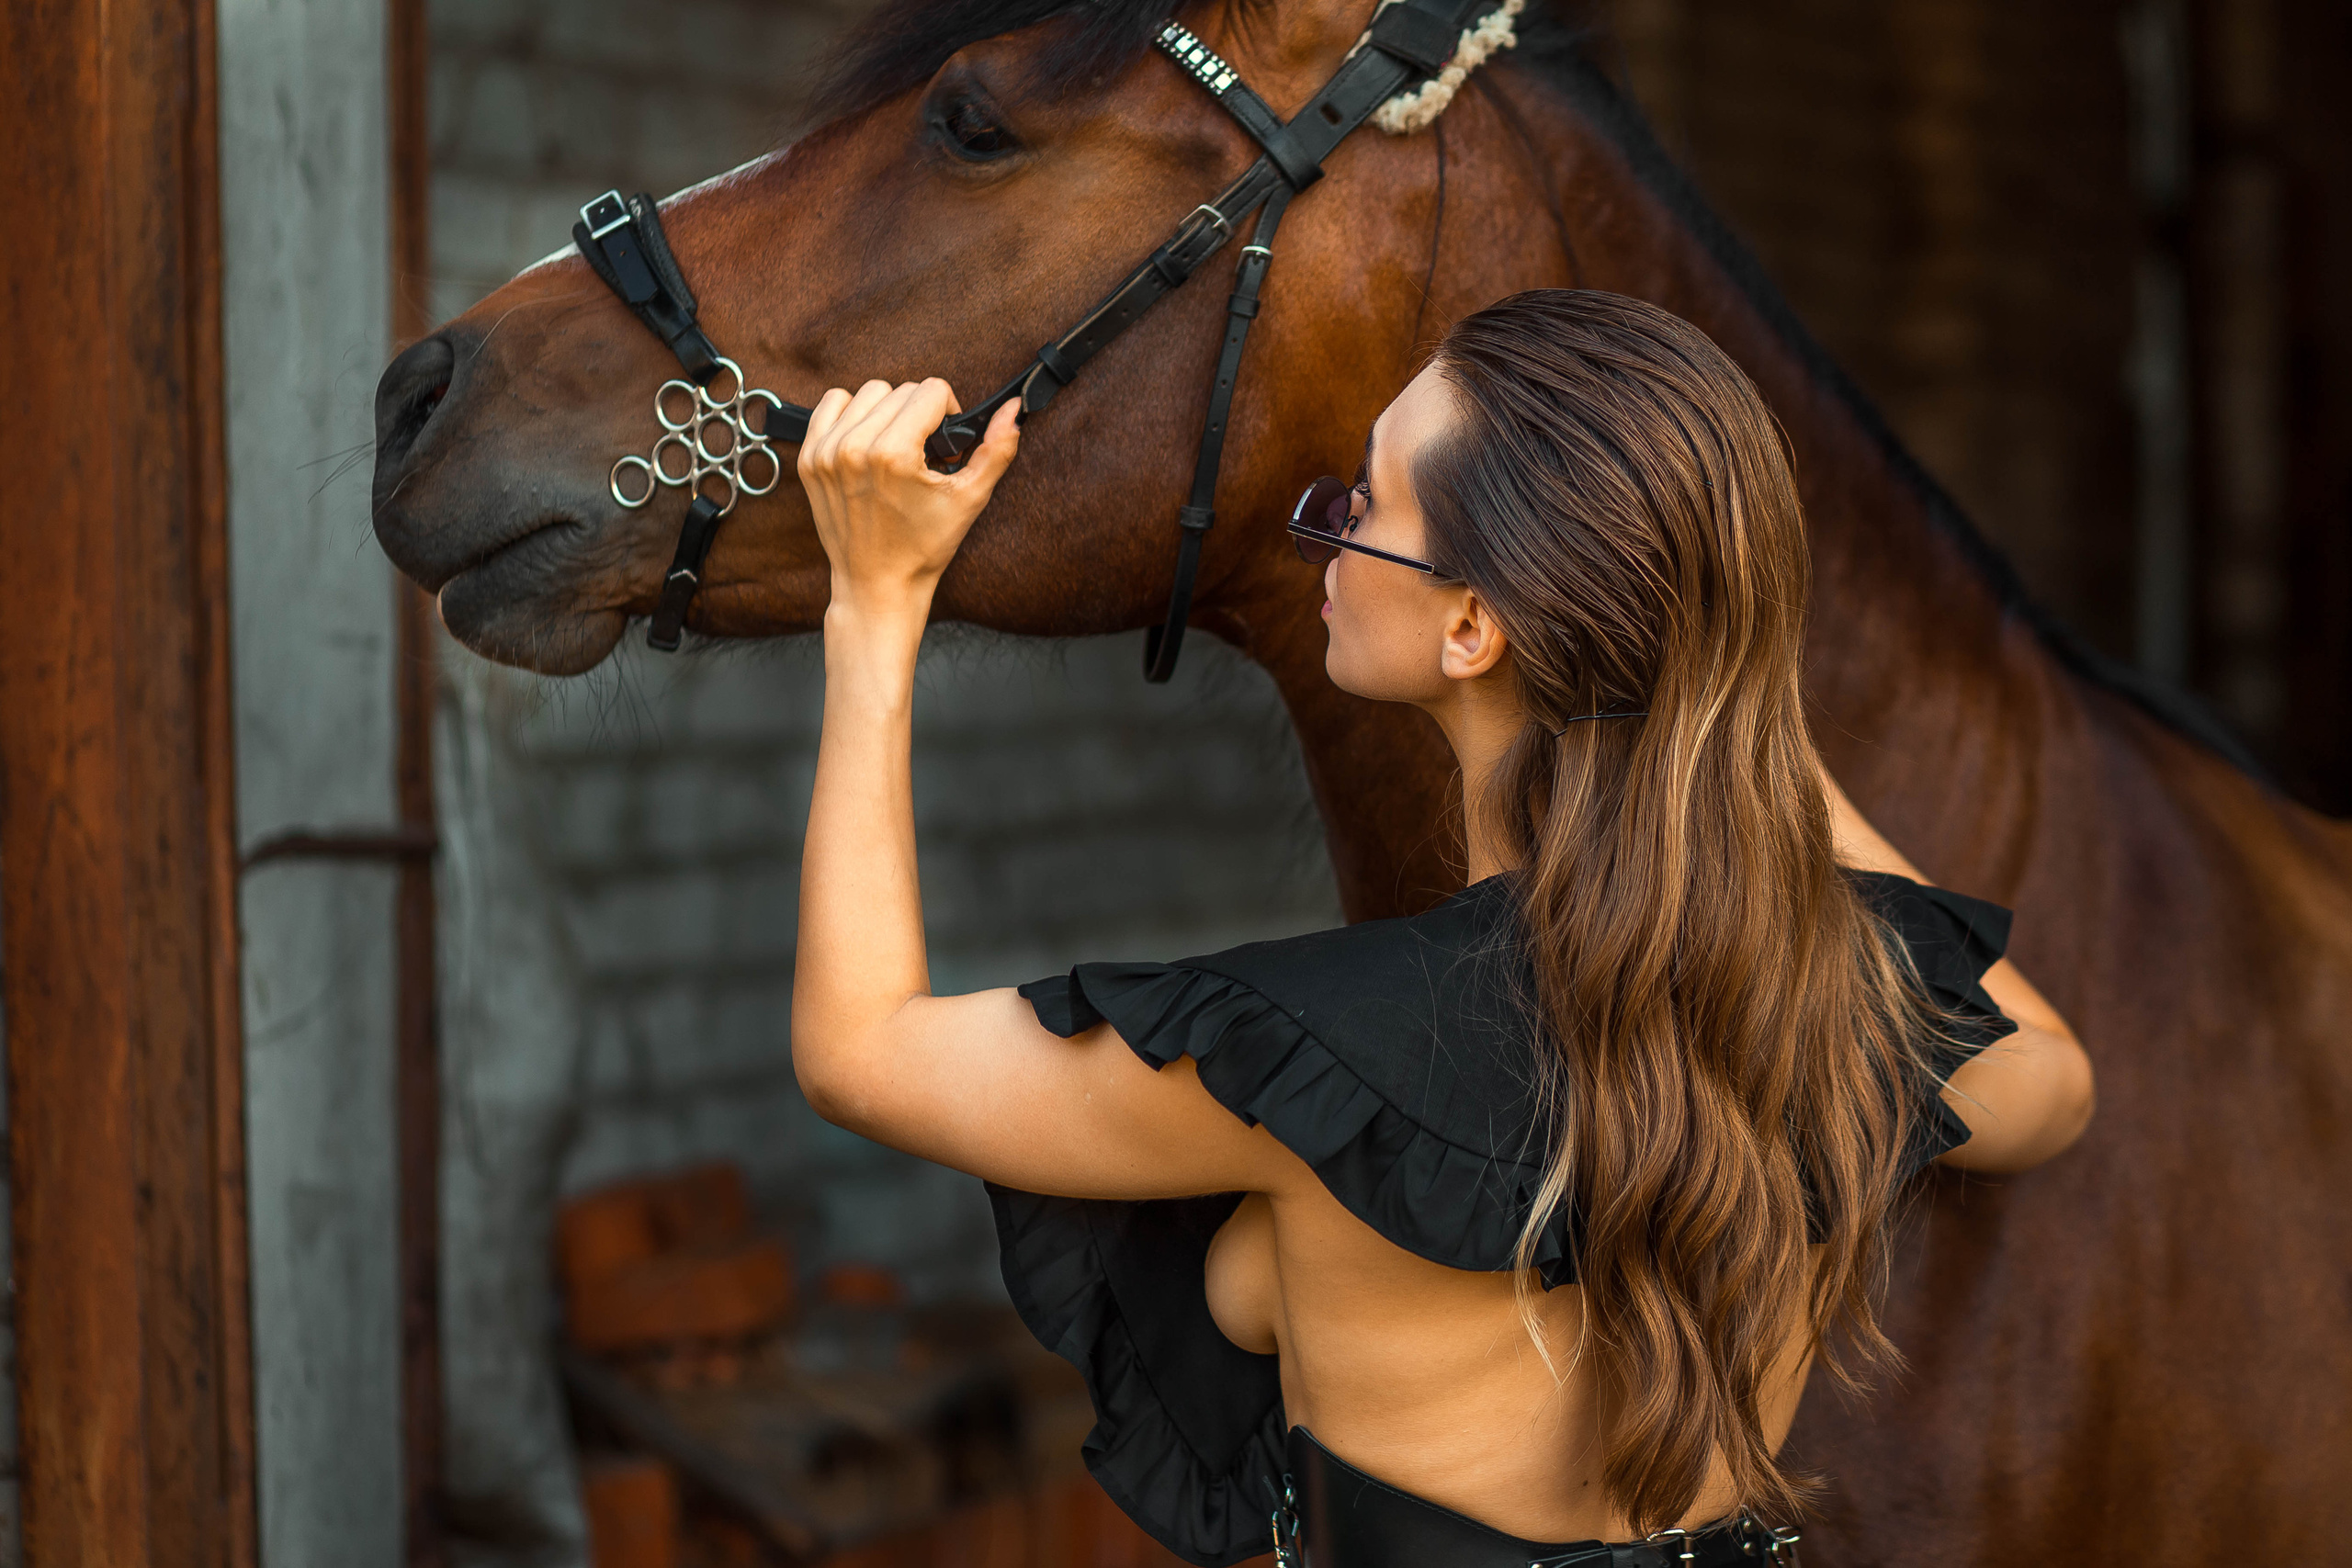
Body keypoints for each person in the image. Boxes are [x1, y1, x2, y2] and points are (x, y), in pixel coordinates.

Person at [786, 289, 2093, 1567]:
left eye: (1368, 502)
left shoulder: (1318, 1059)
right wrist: (1726, 689)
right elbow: (2055, 1079)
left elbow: (862, 1049)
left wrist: (876, 603)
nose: (1334, 536)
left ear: (1473, 626)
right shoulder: (1848, 996)